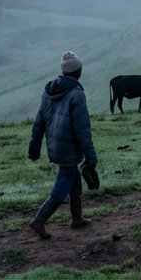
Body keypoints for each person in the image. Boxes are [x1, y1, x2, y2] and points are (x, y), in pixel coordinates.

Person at [27, 51, 98, 239]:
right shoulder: (77, 94)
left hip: (55, 146)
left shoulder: (49, 91)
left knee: (74, 181)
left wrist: (34, 149)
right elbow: (83, 130)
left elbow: (39, 123)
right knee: (61, 187)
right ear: (78, 72)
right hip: (69, 149)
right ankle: (39, 220)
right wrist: (91, 156)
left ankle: (77, 218)